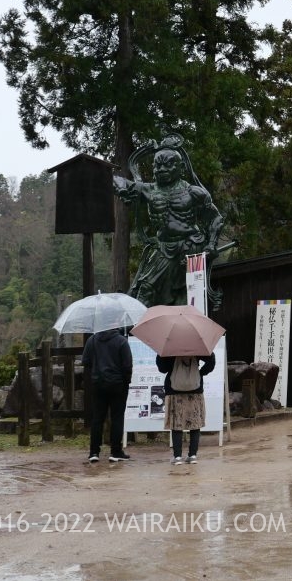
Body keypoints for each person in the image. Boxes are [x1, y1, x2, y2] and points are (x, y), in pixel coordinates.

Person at [114, 136, 224, 308]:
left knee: (189, 296)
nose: (162, 169)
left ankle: (187, 323)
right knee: (146, 289)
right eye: (157, 165)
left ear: (181, 167)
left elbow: (216, 218)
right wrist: (121, 188)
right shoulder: (149, 189)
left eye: (168, 165)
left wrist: (211, 244)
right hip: (164, 248)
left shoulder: (194, 192)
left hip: (191, 246)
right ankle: (140, 324)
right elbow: (117, 179)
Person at [81, 328, 133, 462]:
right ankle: (115, 451)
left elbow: (86, 361)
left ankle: (94, 452)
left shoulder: (92, 340)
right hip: (118, 384)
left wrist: (95, 373)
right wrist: (126, 381)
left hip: (98, 384)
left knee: (97, 418)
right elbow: (127, 365)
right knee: (117, 417)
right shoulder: (121, 341)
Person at [157, 352, 216, 464]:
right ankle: (192, 455)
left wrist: (161, 356)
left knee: (176, 423)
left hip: (174, 390)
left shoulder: (170, 347)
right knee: (194, 423)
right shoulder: (197, 347)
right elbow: (211, 360)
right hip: (195, 389)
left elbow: (162, 369)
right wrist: (200, 373)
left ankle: (177, 457)